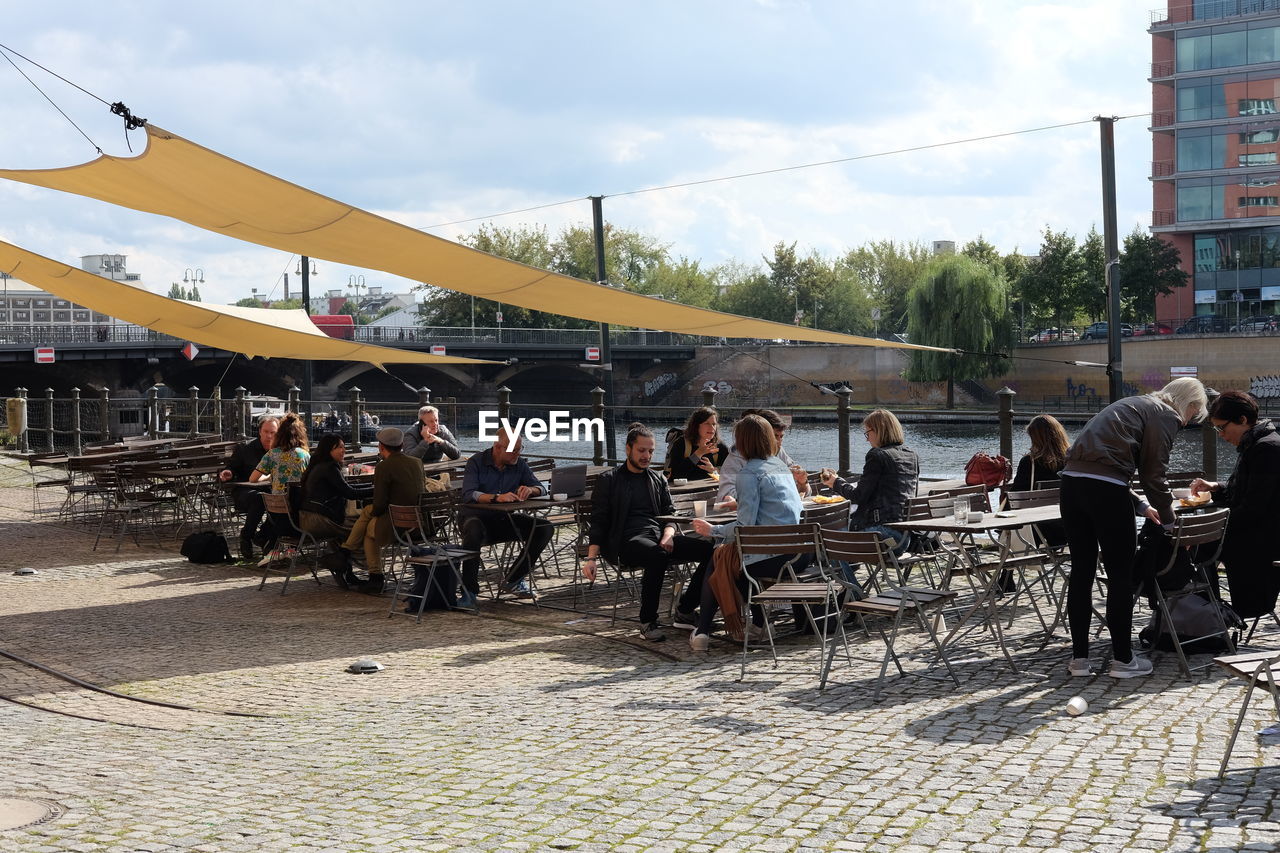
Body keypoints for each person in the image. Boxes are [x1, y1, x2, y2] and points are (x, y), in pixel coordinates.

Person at [1061, 377, 1208, 679]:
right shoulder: (1165, 415)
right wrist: (1170, 523)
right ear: (1189, 404)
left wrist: (1141, 506)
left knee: (1082, 570)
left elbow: (1095, 468)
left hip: (1071, 486)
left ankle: (1079, 660)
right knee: (1119, 576)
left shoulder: (1131, 405)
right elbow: (1154, 474)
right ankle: (1123, 661)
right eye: (1193, 413)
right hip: (1106, 493)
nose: (1188, 420)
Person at [584, 423, 713, 641]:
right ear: (628, 449)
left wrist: (668, 534)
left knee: (713, 551)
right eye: (641, 450)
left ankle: (685, 609)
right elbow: (599, 521)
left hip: (658, 536)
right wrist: (591, 558)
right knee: (658, 555)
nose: (647, 456)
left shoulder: (658, 479)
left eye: (651, 451)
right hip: (625, 541)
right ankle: (647, 621)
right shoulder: (609, 480)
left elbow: (670, 514)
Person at [689, 414, 804, 650]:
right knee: (731, 560)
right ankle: (759, 623)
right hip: (800, 553)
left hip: (774, 557)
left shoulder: (749, 473)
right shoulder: (781, 466)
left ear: (743, 442)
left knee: (720, 558)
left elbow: (745, 528)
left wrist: (715, 530)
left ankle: (703, 630)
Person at [1190, 390, 1280, 618]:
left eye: (1222, 427)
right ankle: (1208, 612)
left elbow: (1254, 508)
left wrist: (1213, 526)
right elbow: (1245, 490)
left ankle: (1208, 615)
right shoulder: (1256, 443)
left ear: (1242, 420)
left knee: (1194, 545)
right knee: (1195, 544)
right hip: (1255, 532)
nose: (1220, 435)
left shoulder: (1266, 449)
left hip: (1262, 540)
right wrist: (1216, 487)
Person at [458, 428, 553, 607]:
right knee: (473, 530)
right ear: (497, 447)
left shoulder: (519, 464)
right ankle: (469, 590)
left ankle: (514, 578)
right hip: (475, 517)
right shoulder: (476, 462)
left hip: (503, 520)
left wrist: (530, 490)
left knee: (544, 528)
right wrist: (496, 497)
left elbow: (543, 488)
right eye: (513, 450)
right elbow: (469, 494)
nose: (517, 454)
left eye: (520, 449)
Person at [820, 409, 919, 553]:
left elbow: (858, 496)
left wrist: (835, 482)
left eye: (868, 433)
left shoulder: (877, 455)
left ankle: (845, 576)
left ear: (879, 431)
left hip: (882, 533)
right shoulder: (911, 455)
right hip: (905, 536)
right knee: (841, 540)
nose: (867, 439)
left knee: (833, 541)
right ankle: (848, 572)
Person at [340, 427, 424, 594]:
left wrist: (372, 510)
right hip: (418, 523)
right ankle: (347, 553)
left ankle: (371, 573)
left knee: (369, 525)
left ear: (381, 447)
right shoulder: (417, 463)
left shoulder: (384, 467)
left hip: (396, 523)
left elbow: (379, 505)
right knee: (369, 520)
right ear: (401, 445)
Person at [298, 434, 365, 588]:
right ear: (328, 450)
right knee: (358, 529)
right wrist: (377, 490)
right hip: (319, 520)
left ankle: (344, 569)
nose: (343, 450)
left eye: (343, 447)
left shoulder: (319, 465)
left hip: (307, 517)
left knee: (341, 533)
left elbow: (348, 490)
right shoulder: (329, 468)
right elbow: (349, 493)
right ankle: (345, 561)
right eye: (339, 447)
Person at [715, 408, 809, 507]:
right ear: (760, 436)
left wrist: (803, 483)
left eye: (781, 437)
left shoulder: (779, 452)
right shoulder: (736, 460)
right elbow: (725, 496)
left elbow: (801, 493)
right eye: (775, 436)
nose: (779, 442)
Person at [1003, 414, 1069, 547]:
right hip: (1069, 526)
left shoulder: (1030, 462)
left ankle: (1007, 563)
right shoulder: (1071, 459)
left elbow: (1017, 495)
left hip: (1040, 529)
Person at [218, 415, 278, 561]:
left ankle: (263, 536)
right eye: (266, 432)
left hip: (271, 491)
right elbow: (232, 468)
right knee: (260, 499)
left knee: (283, 501)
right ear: (260, 431)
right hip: (245, 492)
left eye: (273, 432)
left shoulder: (280, 450)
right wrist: (229, 473)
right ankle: (247, 536)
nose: (269, 436)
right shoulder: (245, 448)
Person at [250, 412, 310, 495]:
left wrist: (269, 477)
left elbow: (253, 479)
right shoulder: (304, 454)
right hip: (299, 504)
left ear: (279, 434)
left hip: (278, 504)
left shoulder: (272, 454)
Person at [663, 407, 729, 483]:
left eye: (714, 424)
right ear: (696, 426)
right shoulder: (681, 444)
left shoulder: (720, 446)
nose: (712, 428)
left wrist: (714, 470)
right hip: (683, 492)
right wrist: (698, 454)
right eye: (707, 423)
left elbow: (733, 471)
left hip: (710, 491)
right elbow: (676, 475)